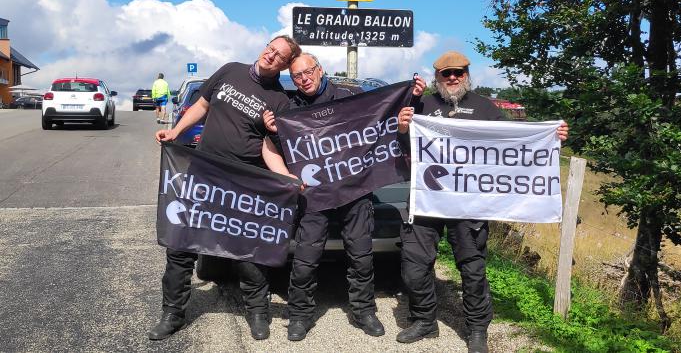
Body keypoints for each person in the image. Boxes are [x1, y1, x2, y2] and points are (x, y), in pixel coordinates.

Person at [395, 51, 569, 353]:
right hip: (427, 199)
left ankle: (477, 329)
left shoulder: (485, 107)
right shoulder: (420, 105)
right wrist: (401, 128)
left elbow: (513, 146)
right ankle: (425, 320)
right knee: (414, 266)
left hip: (470, 203)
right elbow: (400, 148)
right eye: (446, 73)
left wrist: (552, 137)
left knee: (472, 269)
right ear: (437, 77)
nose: (452, 78)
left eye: (458, 73)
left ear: (466, 75)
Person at [148, 35, 302, 342]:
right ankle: (172, 313)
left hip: (243, 184)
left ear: (285, 65)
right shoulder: (230, 70)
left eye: (279, 56)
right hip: (203, 175)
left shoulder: (279, 100)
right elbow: (201, 106)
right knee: (181, 246)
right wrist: (175, 131)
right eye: (270, 49)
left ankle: (258, 312)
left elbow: (269, 147)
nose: (270, 56)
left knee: (248, 252)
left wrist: (286, 177)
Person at [262, 52, 419, 341]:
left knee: (361, 257)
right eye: (297, 75)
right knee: (305, 260)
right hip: (313, 197)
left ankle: (364, 311)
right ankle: (299, 316)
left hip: (354, 191)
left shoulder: (351, 94)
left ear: (320, 70)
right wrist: (285, 168)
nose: (304, 79)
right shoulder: (288, 106)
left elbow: (384, 114)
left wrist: (410, 95)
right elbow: (269, 146)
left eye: (308, 72)